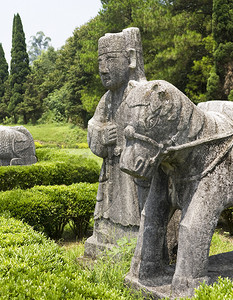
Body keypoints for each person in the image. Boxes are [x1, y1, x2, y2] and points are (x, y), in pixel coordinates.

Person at [84, 27, 150, 256]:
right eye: (100, 61)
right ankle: (107, 233)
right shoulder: (108, 99)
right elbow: (93, 125)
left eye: (110, 60)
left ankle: (135, 237)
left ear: (130, 59)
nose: (103, 69)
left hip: (134, 172)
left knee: (134, 209)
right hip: (112, 169)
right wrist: (102, 136)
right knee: (108, 210)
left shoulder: (142, 94)